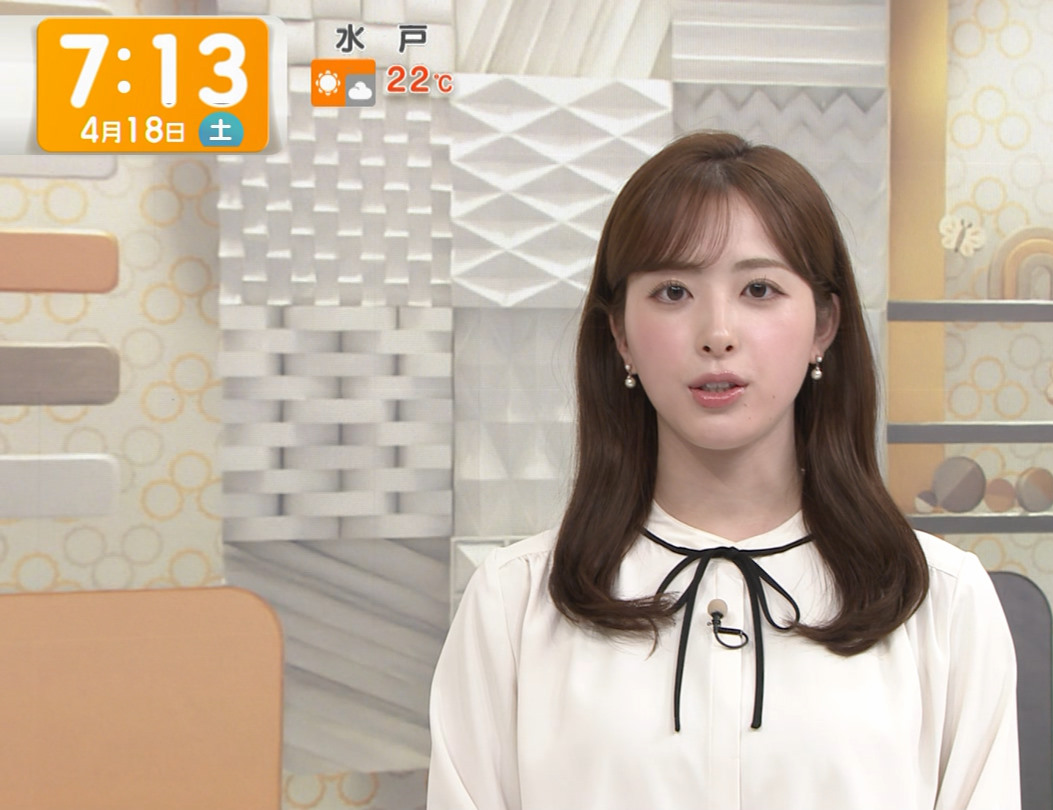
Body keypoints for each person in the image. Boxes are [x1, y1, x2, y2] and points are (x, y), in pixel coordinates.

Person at [428, 131, 1020, 809]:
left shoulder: (942, 602)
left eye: (759, 289)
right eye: (673, 291)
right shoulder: (513, 605)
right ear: (620, 333)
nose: (717, 333)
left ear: (824, 325)